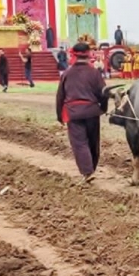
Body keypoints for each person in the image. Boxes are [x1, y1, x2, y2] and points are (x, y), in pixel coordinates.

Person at [55, 42, 108, 182]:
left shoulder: (67, 73)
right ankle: (91, 169)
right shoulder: (94, 73)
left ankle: (87, 171)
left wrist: (59, 115)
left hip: (73, 113)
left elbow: (60, 96)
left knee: (79, 143)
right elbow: (103, 93)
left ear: (73, 55)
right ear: (89, 54)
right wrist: (103, 108)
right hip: (92, 112)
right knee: (93, 142)